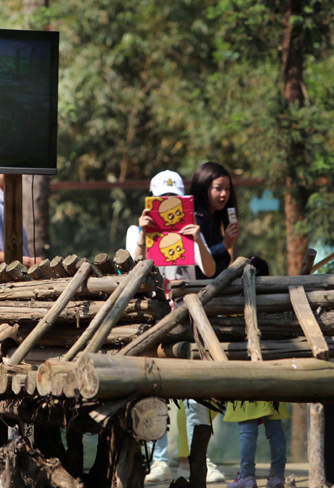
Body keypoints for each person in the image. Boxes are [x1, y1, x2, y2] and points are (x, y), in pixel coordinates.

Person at [125, 170, 224, 484]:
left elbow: (209, 269)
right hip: (152, 319)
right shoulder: (136, 231)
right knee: (154, 388)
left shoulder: (191, 230)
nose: (169, 207)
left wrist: (198, 240)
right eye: (163, 200)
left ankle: (200, 460)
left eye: (174, 200)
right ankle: (159, 462)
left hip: (187, 317)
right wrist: (143, 236)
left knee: (195, 394)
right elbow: (130, 270)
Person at [225, 256, 288, 488]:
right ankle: (277, 476)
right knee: (275, 429)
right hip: (272, 368)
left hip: (246, 368)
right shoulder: (274, 302)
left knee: (247, 430)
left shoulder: (235, 304)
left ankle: (247, 476)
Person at [190, 162, 240, 279]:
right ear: (203, 188)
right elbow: (198, 258)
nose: (224, 194)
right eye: (218, 188)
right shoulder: (196, 220)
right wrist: (224, 244)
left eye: (227, 189)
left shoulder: (215, 216)